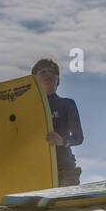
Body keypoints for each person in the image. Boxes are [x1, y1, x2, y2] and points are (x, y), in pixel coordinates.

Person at [32, 58, 84, 186]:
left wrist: (63, 141)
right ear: (33, 80)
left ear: (58, 80)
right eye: (43, 72)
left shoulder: (67, 104)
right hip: (36, 170)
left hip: (65, 170)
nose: (48, 74)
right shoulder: (26, 111)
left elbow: (78, 138)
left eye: (53, 72)